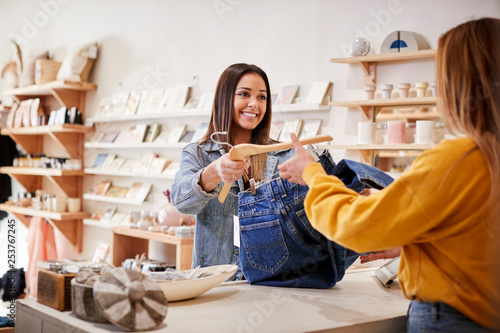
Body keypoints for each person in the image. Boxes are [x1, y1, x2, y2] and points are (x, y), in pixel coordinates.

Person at [278, 18, 500, 332]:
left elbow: (356, 225)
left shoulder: (458, 159)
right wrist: (419, 241)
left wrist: (313, 173)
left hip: (451, 320)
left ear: (456, 84)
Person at [171, 63, 295, 276]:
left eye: (262, 97)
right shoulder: (198, 153)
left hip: (272, 279)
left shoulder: (284, 155)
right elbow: (181, 202)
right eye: (244, 94)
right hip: (216, 281)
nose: (254, 104)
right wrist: (213, 173)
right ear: (224, 98)